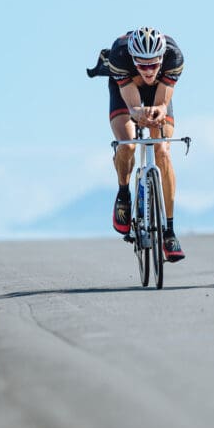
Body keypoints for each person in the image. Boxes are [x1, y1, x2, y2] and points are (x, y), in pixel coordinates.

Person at [87, 27, 185, 262]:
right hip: (125, 88)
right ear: (133, 59)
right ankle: (123, 192)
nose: (149, 70)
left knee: (163, 151)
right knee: (128, 144)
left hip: (158, 92)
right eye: (142, 65)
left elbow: (162, 103)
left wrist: (159, 110)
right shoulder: (119, 55)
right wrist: (137, 111)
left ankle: (169, 231)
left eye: (154, 64)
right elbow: (132, 107)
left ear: (162, 58)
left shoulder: (174, 57)